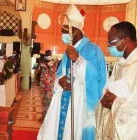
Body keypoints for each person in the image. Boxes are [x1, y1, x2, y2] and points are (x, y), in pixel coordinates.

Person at [37, 4, 107, 140]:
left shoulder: (94, 50)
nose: (62, 34)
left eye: (64, 30)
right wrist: (60, 80)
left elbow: (99, 80)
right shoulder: (66, 52)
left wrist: (78, 60)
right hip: (63, 100)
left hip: (81, 105)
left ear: (74, 30)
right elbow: (59, 74)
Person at [96, 22, 137, 140]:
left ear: (126, 40)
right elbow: (110, 86)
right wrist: (106, 98)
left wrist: (116, 102)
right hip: (114, 124)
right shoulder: (120, 63)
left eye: (111, 42)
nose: (109, 46)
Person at [35, 50, 57, 121]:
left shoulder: (54, 62)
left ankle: (49, 117)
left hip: (50, 85)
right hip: (42, 85)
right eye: (47, 55)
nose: (48, 56)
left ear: (51, 55)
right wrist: (39, 64)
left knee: (49, 101)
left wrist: (45, 63)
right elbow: (37, 71)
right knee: (43, 101)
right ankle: (43, 115)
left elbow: (53, 69)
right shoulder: (42, 63)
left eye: (49, 54)